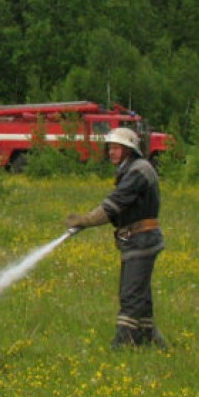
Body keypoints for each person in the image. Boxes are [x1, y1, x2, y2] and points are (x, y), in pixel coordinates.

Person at [65, 127, 166, 348]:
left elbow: (112, 206)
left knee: (130, 294)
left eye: (116, 147)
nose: (111, 152)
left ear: (129, 149)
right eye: (110, 147)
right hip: (137, 240)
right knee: (140, 294)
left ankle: (123, 343)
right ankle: (151, 340)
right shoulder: (131, 169)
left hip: (142, 240)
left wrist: (83, 220)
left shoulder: (138, 171)